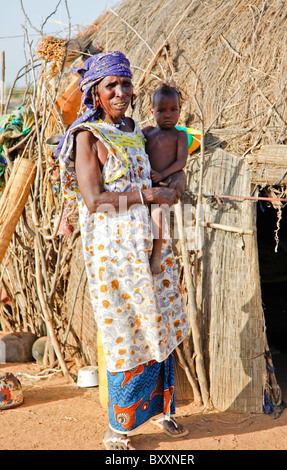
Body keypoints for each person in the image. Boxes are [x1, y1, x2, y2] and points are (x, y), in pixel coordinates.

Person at [56, 51, 189, 450]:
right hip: (113, 251)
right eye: (111, 85)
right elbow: (94, 199)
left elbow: (164, 170)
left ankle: (163, 412)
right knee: (123, 331)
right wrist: (148, 193)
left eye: (125, 83)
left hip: (149, 243)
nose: (120, 92)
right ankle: (120, 426)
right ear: (96, 90)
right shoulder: (87, 136)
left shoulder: (136, 130)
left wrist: (172, 188)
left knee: (159, 324)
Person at [143, 84, 188, 276]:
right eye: (161, 110)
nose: (168, 115)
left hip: (166, 184)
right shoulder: (146, 133)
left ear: (180, 111)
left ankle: (156, 254)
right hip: (146, 185)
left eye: (173, 110)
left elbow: (181, 161)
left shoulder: (180, 135)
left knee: (158, 214)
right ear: (152, 111)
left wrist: (162, 175)